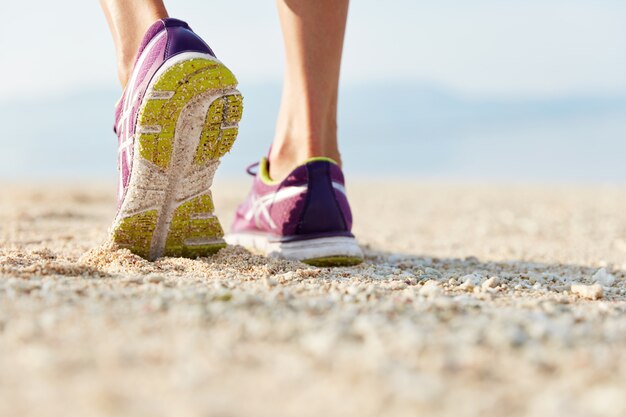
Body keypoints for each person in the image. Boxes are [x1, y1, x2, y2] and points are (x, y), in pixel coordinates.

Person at [99, 0, 363, 266]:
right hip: (325, 199)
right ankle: (308, 164)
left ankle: (144, 53)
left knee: (144, 44)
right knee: (309, 148)